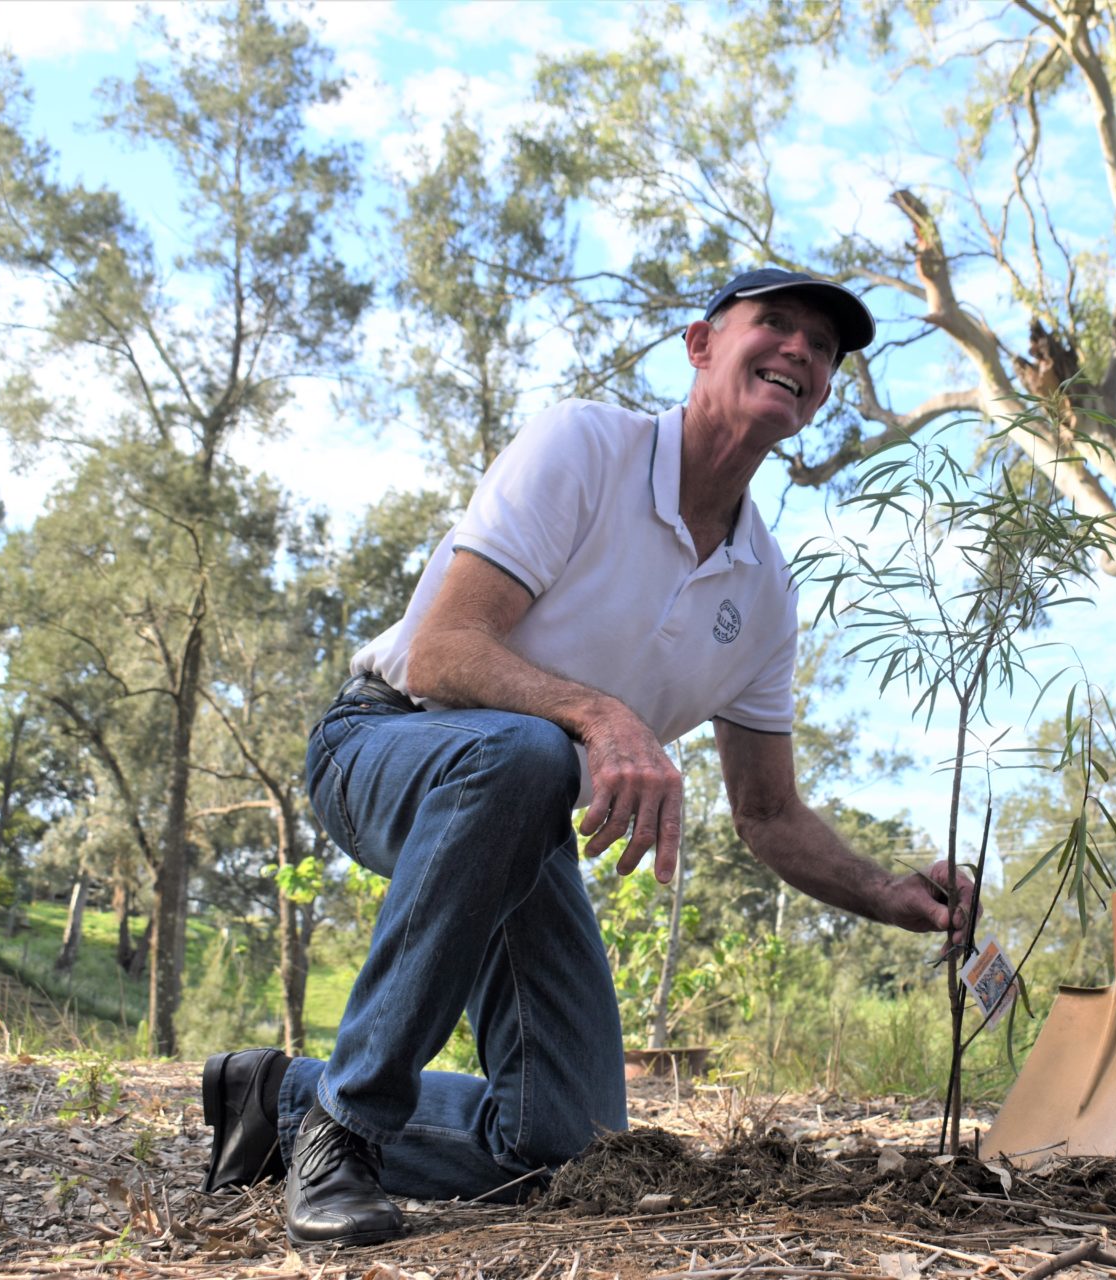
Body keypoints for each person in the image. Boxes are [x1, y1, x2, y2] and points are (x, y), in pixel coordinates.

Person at [198, 269, 975, 1245]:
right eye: (772, 324)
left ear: (820, 396)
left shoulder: (765, 593)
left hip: (517, 816)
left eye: (821, 349)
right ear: (699, 345)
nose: (799, 351)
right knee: (532, 755)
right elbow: (443, 650)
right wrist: (599, 716)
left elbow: (769, 816)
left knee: (562, 1141)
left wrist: (891, 892)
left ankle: (275, 1101)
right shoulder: (587, 447)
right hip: (384, 741)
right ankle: (345, 1132)